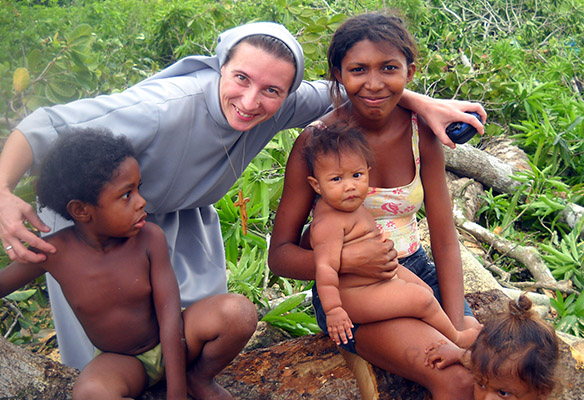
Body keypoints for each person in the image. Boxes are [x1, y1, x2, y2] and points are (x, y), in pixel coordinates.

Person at [0, 21, 484, 371]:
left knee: (193, 340)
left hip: (177, 222)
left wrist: (420, 101)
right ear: (220, 68)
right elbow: (44, 125)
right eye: (241, 79)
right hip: (102, 226)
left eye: (272, 90)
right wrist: (1, 192)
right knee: (110, 347)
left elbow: (360, 88)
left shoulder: (283, 103)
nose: (252, 101)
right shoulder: (164, 107)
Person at [268, 13, 486, 399]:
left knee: (492, 367)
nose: (373, 83)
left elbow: (443, 236)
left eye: (388, 68)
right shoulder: (317, 144)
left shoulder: (421, 132)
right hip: (350, 293)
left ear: (410, 71)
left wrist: (455, 325)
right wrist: (348, 262)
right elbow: (280, 256)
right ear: (338, 74)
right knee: (457, 380)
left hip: (416, 274)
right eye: (358, 69)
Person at [0, 128, 246, 399]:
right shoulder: (53, 252)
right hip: (123, 362)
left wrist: (176, 390)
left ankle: (198, 379)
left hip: (177, 339)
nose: (142, 202)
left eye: (138, 188)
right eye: (126, 195)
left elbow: (168, 314)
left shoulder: (149, 238)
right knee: (90, 392)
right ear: (82, 210)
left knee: (238, 312)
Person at [305, 123, 480, 349]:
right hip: (354, 293)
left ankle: (435, 330)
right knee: (422, 299)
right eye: (337, 179)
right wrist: (334, 310)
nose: (349, 186)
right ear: (316, 185)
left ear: (368, 173)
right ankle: (456, 340)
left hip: (383, 274)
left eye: (356, 175)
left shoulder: (353, 206)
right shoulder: (328, 221)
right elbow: (325, 268)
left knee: (425, 291)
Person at [425, 295, 560, 400]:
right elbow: (478, 365)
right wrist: (458, 354)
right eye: (481, 385)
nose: (487, 398)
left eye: (503, 393)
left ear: (542, 391)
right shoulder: (499, 376)